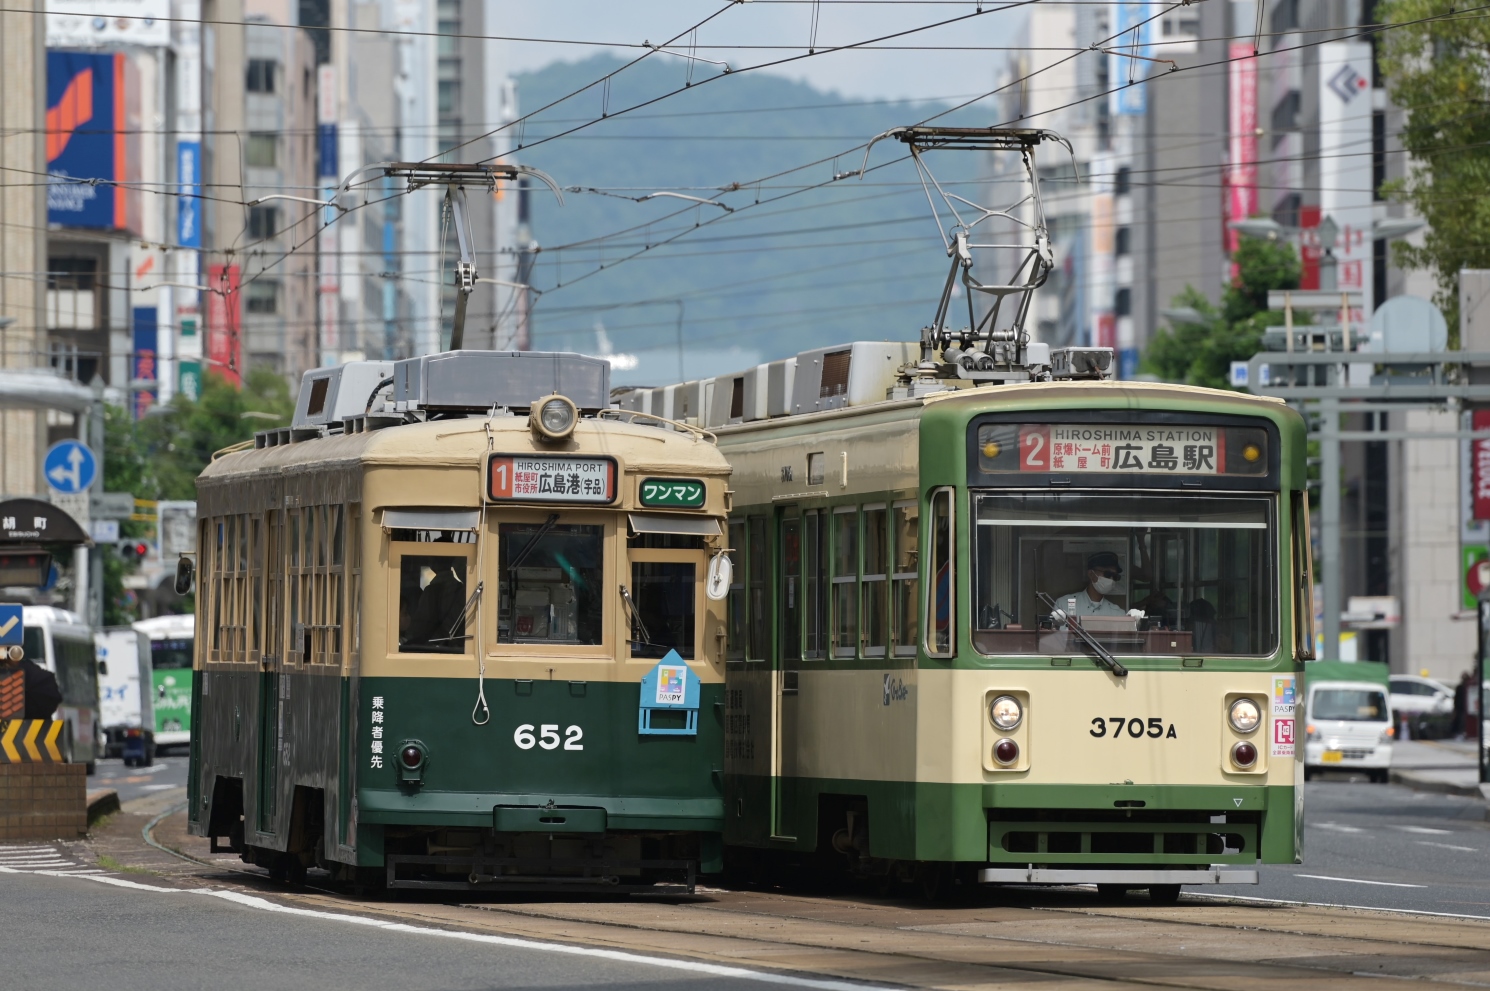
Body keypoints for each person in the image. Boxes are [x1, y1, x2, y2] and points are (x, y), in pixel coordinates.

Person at [1054, 551, 1128, 617]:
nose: (1111, 579)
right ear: (1091, 574)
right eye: (1107, 574)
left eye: (1115, 576)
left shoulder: (1117, 614)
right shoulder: (1064, 605)